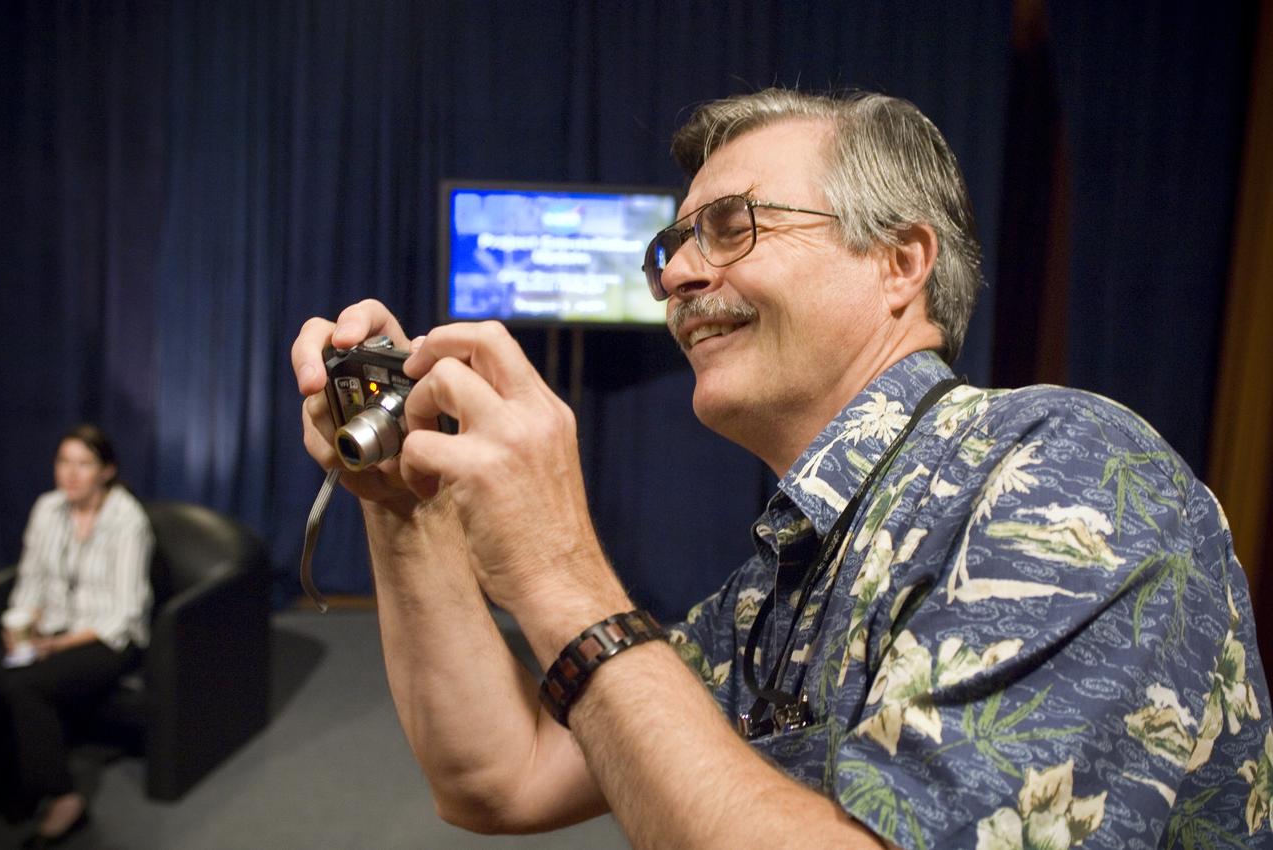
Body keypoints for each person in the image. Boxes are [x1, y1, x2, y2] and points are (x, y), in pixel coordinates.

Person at [292, 89, 1273, 848]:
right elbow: (501, 773)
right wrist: (400, 500)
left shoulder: (1065, 466)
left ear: (899, 262)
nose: (674, 273)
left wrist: (554, 568)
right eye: (672, 243)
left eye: (730, 227)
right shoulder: (774, 582)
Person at [0, 424, 153, 846]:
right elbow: (30, 581)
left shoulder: (127, 519)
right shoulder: (47, 509)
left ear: (106, 471)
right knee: (3, 677)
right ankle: (15, 788)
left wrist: (55, 646)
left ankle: (64, 798)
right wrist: (20, 626)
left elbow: (125, 612)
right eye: (64, 462)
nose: (71, 473)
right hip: (51, 630)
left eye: (84, 464)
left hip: (107, 638)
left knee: (26, 687)